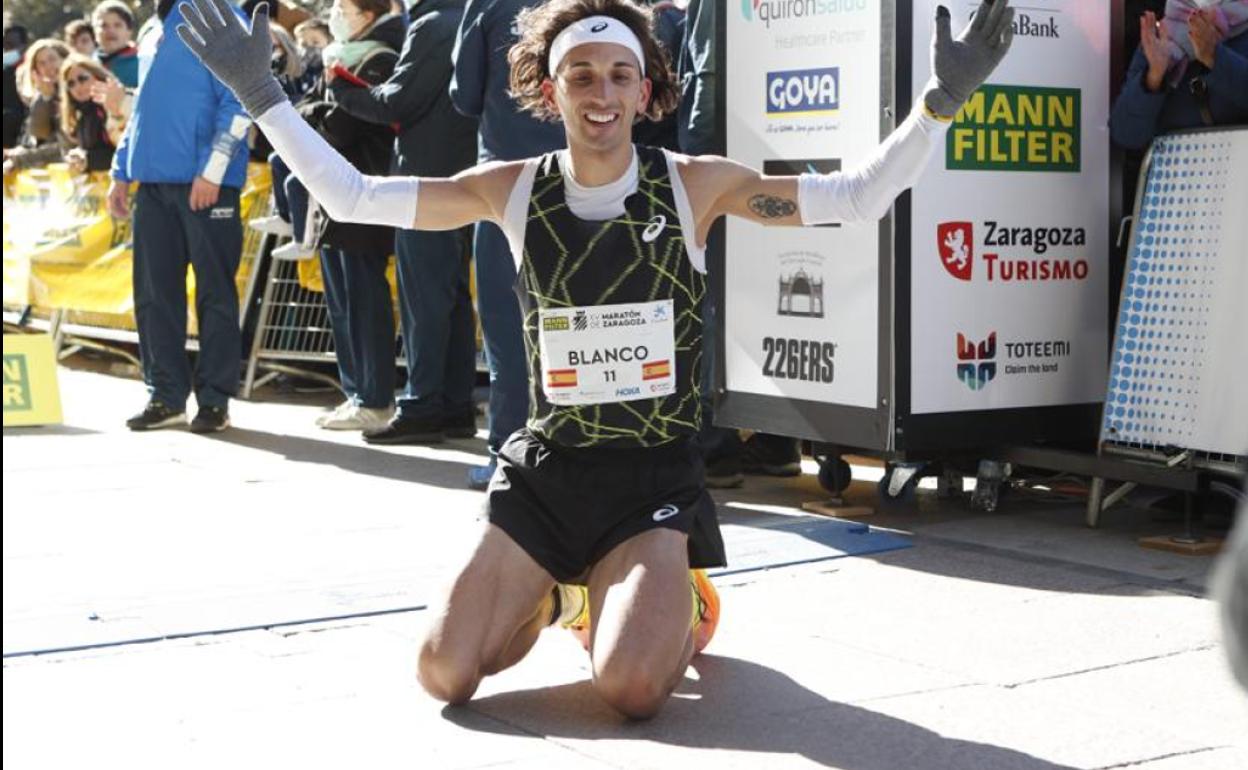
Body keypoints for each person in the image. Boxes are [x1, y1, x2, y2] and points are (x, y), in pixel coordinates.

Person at [178, 0, 1014, 718]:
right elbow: (354, 196)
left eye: (620, 75)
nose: (602, 93)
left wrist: (939, 103)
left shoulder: (696, 183)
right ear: (552, 91)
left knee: (631, 690)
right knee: (446, 674)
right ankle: (556, 593)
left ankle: (677, 595)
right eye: (581, 76)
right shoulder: (508, 186)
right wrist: (264, 97)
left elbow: (855, 197)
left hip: (651, 478)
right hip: (547, 473)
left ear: (645, 91)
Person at [328, 0, 480, 443]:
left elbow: (398, 101)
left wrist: (342, 88)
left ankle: (423, 404)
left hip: (425, 178)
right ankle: (454, 405)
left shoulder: (433, 24)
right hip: (462, 173)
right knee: (452, 296)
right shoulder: (470, 16)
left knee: (426, 299)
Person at [110, 0, 253, 434]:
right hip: (152, 184)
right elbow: (143, 108)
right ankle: (165, 396)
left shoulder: (224, 16)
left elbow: (243, 97)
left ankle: (214, 400)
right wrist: (121, 170)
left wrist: (214, 169)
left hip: (206, 184)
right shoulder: (155, 24)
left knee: (214, 294)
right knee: (154, 295)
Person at [451, 0, 566, 487]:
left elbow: (464, 94)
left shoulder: (488, 6)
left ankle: (510, 453)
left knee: (508, 329)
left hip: (506, 184)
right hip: (581, 178)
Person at [291, 0, 406, 431]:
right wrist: (316, 115)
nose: (336, 12)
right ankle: (356, 392)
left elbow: (340, 127)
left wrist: (317, 116)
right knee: (340, 303)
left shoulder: (380, 58)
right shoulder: (337, 56)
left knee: (364, 301)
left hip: (363, 192)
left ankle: (376, 398)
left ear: (368, 14)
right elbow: (303, 114)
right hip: (329, 195)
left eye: (344, 6)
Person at [1110, 0, 1248, 150]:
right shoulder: (1162, 35)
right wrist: (1154, 77)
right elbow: (1125, 134)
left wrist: (1215, 57)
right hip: (1179, 168)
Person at [92, 1, 140, 88]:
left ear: (129, 31)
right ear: (94, 32)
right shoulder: (89, 66)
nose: (111, 30)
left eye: (117, 25)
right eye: (103, 25)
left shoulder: (140, 64)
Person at [3, 24, 30, 149]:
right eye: (5, 46)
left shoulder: (33, 70)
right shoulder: (5, 69)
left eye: (12, 45)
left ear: (24, 46)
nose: (7, 50)